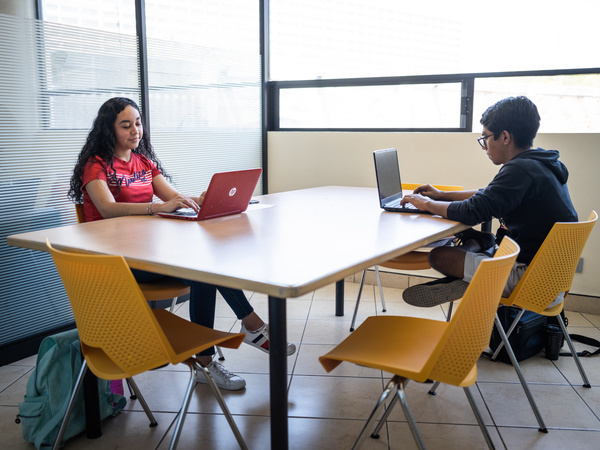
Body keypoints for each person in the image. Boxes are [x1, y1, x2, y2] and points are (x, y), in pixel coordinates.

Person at [68, 97, 295, 391]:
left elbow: (170, 197)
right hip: (116, 262)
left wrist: (199, 199)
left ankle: (207, 360)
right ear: (107, 130)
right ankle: (252, 330)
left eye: (138, 123)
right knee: (204, 269)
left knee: (205, 268)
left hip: (147, 252)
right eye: (125, 125)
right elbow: (108, 208)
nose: (135, 130)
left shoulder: (143, 161)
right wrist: (153, 208)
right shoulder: (96, 165)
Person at [400, 96, 578, 307]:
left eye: (485, 137)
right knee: (473, 239)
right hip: (552, 280)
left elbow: (471, 212)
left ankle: (476, 277)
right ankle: (478, 255)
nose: (484, 145)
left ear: (504, 137)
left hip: (531, 282)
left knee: (439, 256)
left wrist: (426, 205)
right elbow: (488, 195)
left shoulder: (520, 170)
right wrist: (440, 195)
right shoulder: (541, 163)